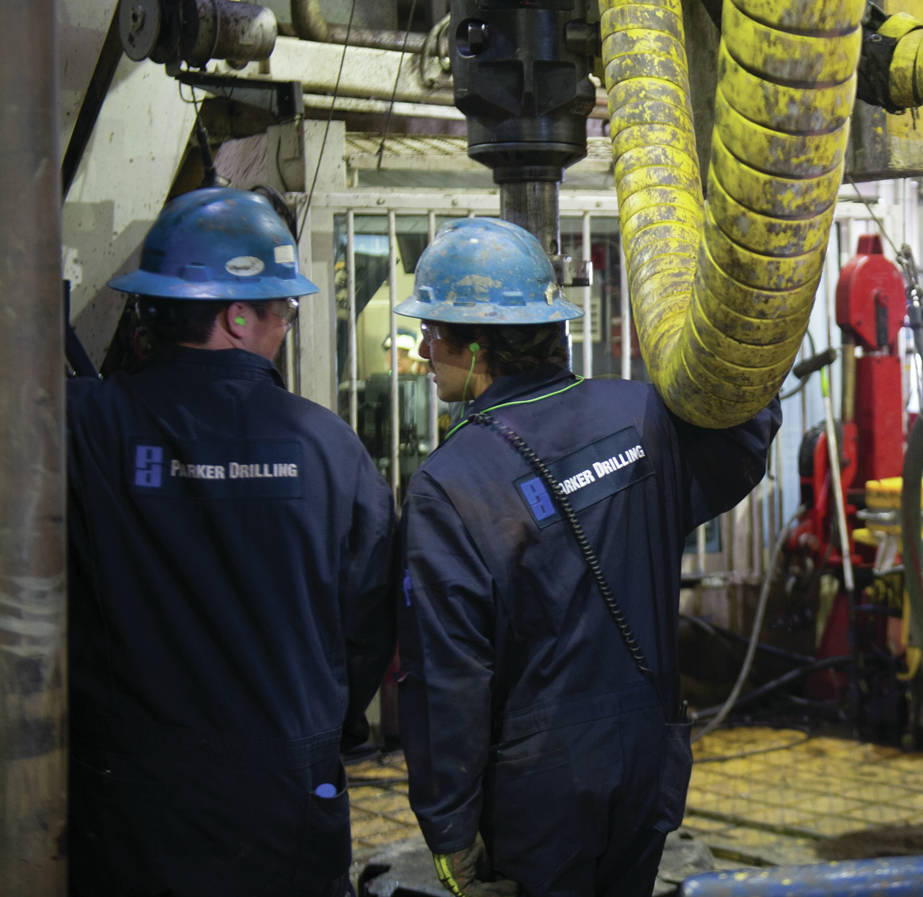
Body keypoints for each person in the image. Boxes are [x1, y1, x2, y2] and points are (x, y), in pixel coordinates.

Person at [394, 218, 780, 897]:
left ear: (478, 344)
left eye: (435, 329)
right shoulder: (640, 416)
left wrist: (449, 829)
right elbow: (743, 441)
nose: (424, 349)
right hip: (650, 752)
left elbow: (445, 676)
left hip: (539, 786)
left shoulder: (451, 484)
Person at [66, 187, 398, 897]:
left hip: (139, 804)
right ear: (237, 316)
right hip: (287, 799)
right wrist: (323, 723)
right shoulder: (330, 448)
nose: (284, 325)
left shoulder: (89, 426)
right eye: (281, 308)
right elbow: (368, 621)